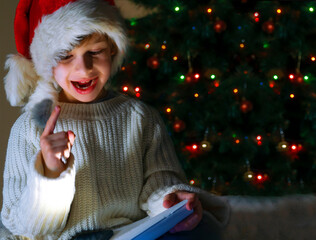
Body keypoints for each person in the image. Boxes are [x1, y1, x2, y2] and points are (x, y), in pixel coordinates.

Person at [1, 0, 230, 239]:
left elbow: (159, 180)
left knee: (204, 228)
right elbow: (24, 227)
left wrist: (169, 200)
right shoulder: (28, 128)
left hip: (128, 233)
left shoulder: (140, 118)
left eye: (94, 52)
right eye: (66, 56)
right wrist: (49, 173)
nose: (85, 68)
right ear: (46, 63)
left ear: (111, 47)